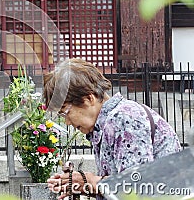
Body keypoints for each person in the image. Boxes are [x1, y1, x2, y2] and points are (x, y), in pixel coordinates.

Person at [43, 58, 181, 199]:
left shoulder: (124, 118)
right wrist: (85, 185)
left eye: (66, 112)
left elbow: (137, 188)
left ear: (89, 98)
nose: (67, 122)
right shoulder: (103, 126)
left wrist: (91, 181)